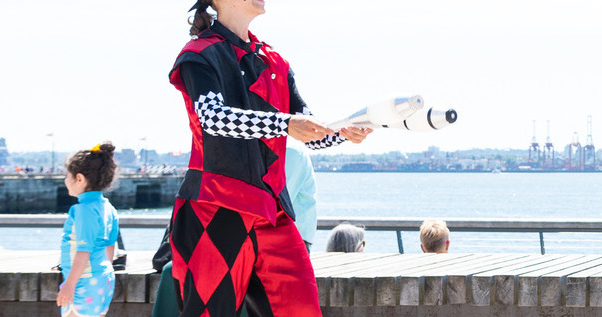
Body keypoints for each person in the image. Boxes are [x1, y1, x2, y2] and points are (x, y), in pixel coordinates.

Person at [165, 0, 376, 315]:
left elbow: (308, 127)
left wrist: (342, 131)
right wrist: (285, 123)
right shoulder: (197, 55)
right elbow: (213, 119)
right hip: (215, 208)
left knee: (301, 309)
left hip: (272, 211)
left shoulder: (275, 60)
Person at [56, 143, 123, 317]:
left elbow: (83, 250)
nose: (65, 181)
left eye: (67, 176)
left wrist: (69, 285)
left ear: (79, 178)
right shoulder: (108, 207)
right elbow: (109, 247)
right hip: (103, 279)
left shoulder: (83, 210)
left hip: (83, 282)